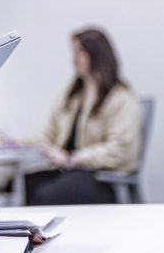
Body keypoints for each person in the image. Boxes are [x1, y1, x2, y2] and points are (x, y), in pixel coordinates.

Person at [24, 28, 143, 205]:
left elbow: (122, 150)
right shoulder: (72, 96)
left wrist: (73, 159)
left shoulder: (121, 99)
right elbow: (50, 134)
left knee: (45, 196)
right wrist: (19, 143)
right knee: (19, 185)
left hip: (101, 177)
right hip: (72, 171)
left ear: (96, 55)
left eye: (79, 52)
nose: (74, 59)